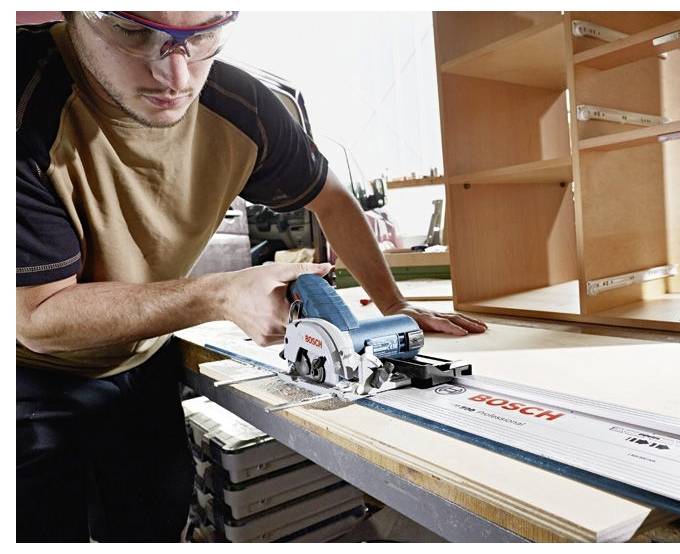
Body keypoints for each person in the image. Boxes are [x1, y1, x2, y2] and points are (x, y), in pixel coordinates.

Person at [16, 11, 486, 542]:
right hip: (25, 372)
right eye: (133, 31)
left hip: (139, 355)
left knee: (149, 525)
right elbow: (37, 318)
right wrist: (219, 294)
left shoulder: (244, 108)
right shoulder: (20, 102)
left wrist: (392, 306)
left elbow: (330, 198)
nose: (177, 78)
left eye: (203, 35)